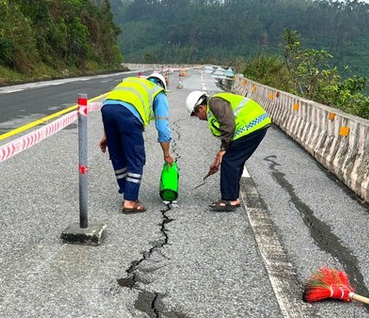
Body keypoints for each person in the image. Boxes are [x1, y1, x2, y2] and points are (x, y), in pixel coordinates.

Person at [99, 72, 175, 214]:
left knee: (117, 155)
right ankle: (130, 202)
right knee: (136, 157)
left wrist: (106, 136)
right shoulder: (158, 92)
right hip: (128, 114)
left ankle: (127, 192)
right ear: (162, 85)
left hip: (107, 108)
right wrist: (166, 154)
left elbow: (115, 105)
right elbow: (163, 128)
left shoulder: (133, 82)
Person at [186, 90, 271, 211]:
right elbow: (227, 133)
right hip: (255, 126)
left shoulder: (215, 103)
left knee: (230, 161)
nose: (198, 118)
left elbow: (229, 125)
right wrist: (219, 156)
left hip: (253, 126)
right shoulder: (213, 107)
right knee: (234, 159)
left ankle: (230, 199)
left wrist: (223, 150)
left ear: (200, 107)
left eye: (195, 114)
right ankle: (233, 197)